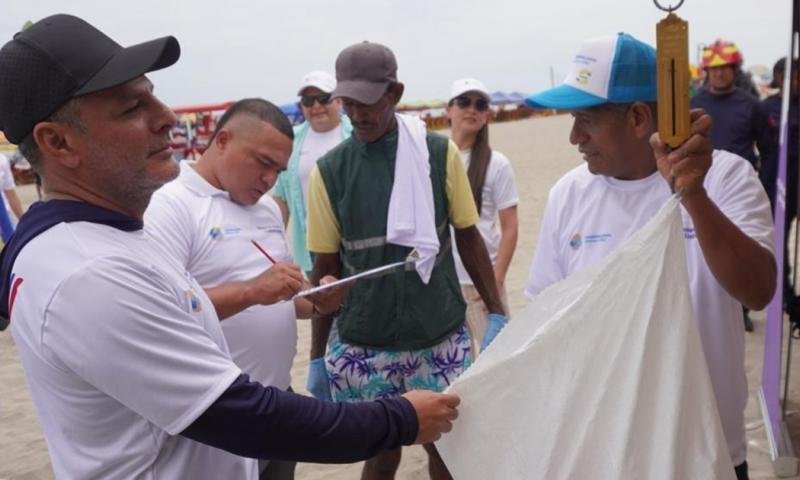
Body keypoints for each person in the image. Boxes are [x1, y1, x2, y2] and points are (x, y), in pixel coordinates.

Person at [0, 14, 460, 479]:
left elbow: (185, 309)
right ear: (58, 142)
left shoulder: (98, 237)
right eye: (131, 108)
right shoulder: (92, 273)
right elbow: (241, 416)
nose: (167, 118)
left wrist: (300, 302)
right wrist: (399, 418)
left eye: (154, 96)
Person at [524, 33, 775, 480]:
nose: (573, 137)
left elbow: (758, 291)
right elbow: (546, 316)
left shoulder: (727, 178)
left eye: (584, 119)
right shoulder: (568, 194)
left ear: (639, 117)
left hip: (708, 449)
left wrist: (692, 195)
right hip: (604, 449)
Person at [305, 41, 507, 480]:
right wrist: (317, 356)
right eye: (348, 102)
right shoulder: (330, 172)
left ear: (394, 93)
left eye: (368, 101)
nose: (357, 114)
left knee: (446, 450)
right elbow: (325, 272)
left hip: (438, 332)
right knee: (381, 451)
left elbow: (468, 237)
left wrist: (497, 311)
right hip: (367, 341)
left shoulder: (438, 155)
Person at [145, 98, 345, 480]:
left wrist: (314, 301)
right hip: (217, 415)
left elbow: (283, 296)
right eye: (263, 163)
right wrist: (251, 291)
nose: (270, 179)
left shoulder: (267, 209)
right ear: (222, 140)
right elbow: (161, 313)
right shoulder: (171, 206)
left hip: (277, 401)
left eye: (279, 170)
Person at [691, 38, 777, 332]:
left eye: (725, 68)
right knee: (706, 250)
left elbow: (767, 149)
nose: (719, 74)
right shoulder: (694, 104)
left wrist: (762, 185)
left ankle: (739, 312)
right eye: (713, 69)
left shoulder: (751, 106)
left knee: (742, 248)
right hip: (702, 184)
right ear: (707, 71)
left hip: (739, 188)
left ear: (734, 69)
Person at [446, 78, 518, 356]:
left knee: (499, 361)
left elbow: (510, 226)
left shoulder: (496, 163)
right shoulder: (436, 156)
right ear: (448, 109)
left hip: (482, 281)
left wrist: (495, 282)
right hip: (446, 283)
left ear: (487, 114)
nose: (471, 109)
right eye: (463, 102)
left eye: (480, 104)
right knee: (457, 367)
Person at [272, 71, 352, 274]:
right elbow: (281, 199)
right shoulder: (290, 141)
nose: (316, 106)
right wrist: (274, 247)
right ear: (301, 106)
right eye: (308, 101)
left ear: (339, 101)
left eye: (323, 98)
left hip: (355, 245)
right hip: (310, 250)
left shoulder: (356, 135)